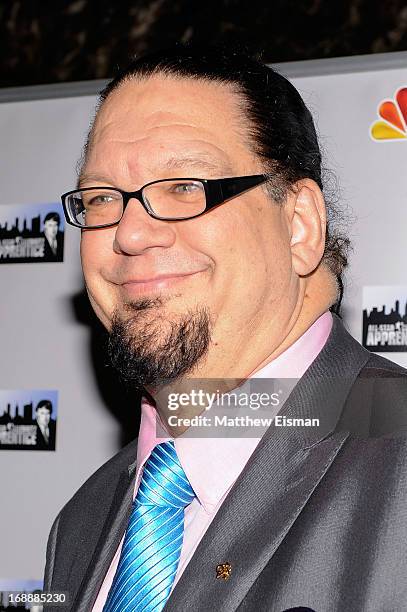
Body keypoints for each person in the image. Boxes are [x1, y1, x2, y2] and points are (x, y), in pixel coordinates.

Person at [44, 45, 407, 611]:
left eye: (185, 187)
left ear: (299, 225)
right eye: (102, 199)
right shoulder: (83, 520)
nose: (130, 234)